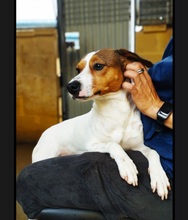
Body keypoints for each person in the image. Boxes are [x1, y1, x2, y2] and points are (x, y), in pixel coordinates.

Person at [16, 37, 173, 220]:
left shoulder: (137, 118)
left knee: (29, 180)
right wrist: (115, 150)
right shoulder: (54, 134)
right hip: (55, 142)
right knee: (36, 179)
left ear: (125, 66)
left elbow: (143, 148)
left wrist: (154, 164)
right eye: (80, 70)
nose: (77, 79)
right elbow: (94, 143)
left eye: (97, 67)